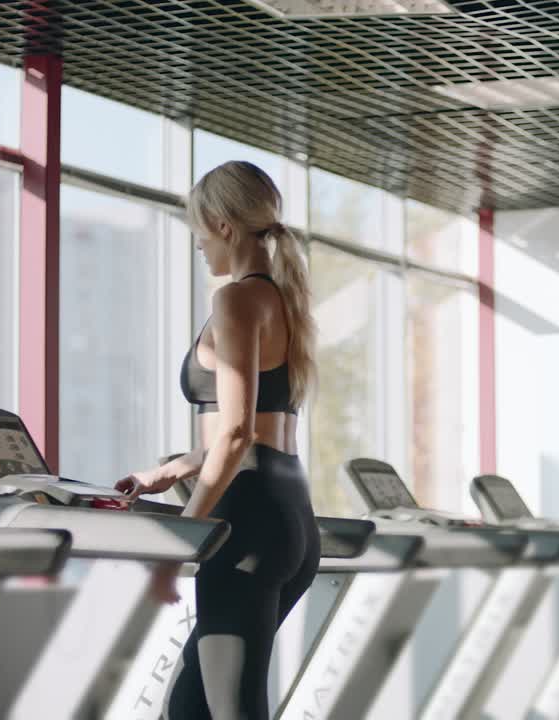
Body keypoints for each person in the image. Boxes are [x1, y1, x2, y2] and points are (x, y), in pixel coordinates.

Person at [116, 160, 321, 719]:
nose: (200, 247)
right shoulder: (282, 301)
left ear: (225, 227)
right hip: (288, 512)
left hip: (247, 523)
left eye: (200, 233)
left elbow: (234, 432)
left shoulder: (235, 301)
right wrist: (175, 469)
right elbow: (258, 430)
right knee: (187, 709)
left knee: (231, 710)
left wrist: (186, 536)